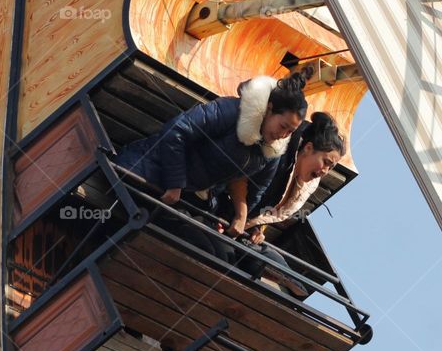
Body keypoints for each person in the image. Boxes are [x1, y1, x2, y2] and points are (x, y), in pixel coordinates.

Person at [113, 70, 311, 241]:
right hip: (147, 175)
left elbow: (257, 189)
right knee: (194, 243)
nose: (283, 135)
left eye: (290, 132)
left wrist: (238, 218)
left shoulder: (271, 152)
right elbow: (176, 131)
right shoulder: (232, 111)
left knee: (218, 250)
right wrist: (175, 184)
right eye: (283, 126)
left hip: (189, 201)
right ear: (269, 110)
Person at [222, 112, 346, 296]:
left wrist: (258, 230)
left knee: (278, 268)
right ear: (308, 148)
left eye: (331, 168)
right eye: (326, 162)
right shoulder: (277, 154)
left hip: (241, 232)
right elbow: (238, 179)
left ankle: (278, 276)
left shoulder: (299, 184)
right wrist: (241, 215)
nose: (325, 171)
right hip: (220, 211)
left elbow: (263, 211)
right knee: (229, 258)